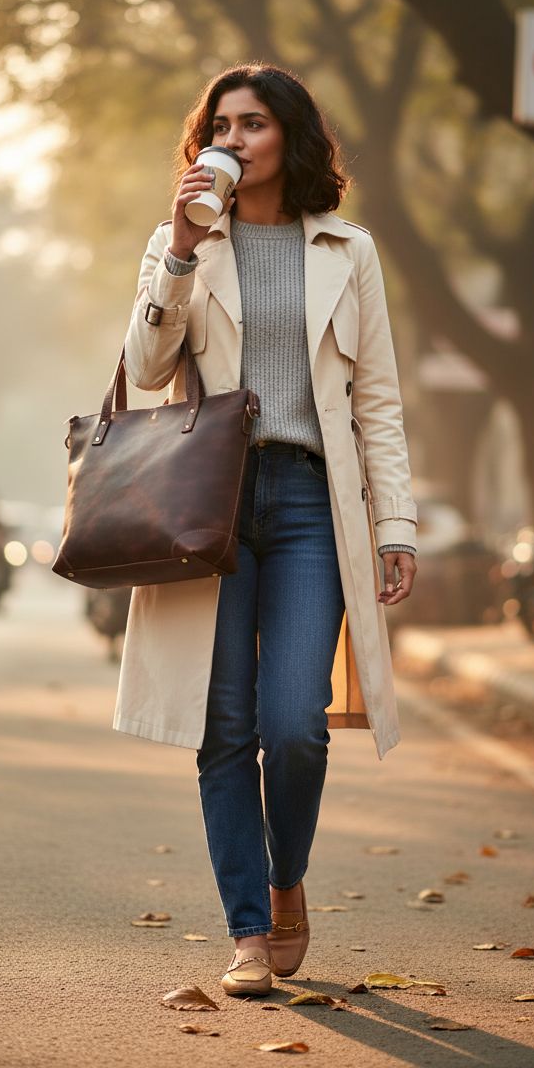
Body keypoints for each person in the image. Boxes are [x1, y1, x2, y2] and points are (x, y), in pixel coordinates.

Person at [116, 64, 418, 997]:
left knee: (295, 727)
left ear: (288, 135)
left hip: (309, 505)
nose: (234, 140)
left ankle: (287, 880)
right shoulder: (183, 247)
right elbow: (143, 366)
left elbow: (376, 400)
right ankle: (249, 933)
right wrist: (177, 244)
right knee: (225, 726)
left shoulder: (347, 249)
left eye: (252, 124)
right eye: (220, 125)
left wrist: (395, 521)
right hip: (207, 502)